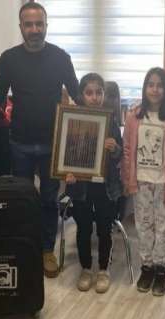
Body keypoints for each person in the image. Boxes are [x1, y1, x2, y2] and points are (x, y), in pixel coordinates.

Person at [0, 1, 79, 278]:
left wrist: (106, 112)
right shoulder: (9, 58)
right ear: (21, 27)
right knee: (22, 199)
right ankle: (25, 247)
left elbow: (78, 93)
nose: (35, 29)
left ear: (46, 26)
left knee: (49, 200)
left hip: (53, 144)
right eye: (29, 24)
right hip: (20, 143)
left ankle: (46, 250)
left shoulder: (61, 57)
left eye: (39, 24)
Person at [122, 67, 165, 296]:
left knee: (163, 228)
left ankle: (161, 270)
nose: (155, 89)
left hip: (164, 184)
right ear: (145, 87)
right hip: (141, 183)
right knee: (143, 226)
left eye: (160, 85)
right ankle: (147, 267)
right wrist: (127, 178)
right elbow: (127, 150)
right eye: (151, 84)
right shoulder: (134, 117)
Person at [64, 73, 123, 294]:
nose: (95, 97)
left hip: (105, 187)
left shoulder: (111, 122)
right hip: (80, 187)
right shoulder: (72, 120)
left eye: (99, 92)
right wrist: (66, 173)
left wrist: (114, 148)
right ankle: (86, 269)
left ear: (104, 95)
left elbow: (119, 155)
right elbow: (65, 153)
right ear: (81, 95)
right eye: (89, 93)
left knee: (105, 230)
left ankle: (104, 270)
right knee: (83, 228)